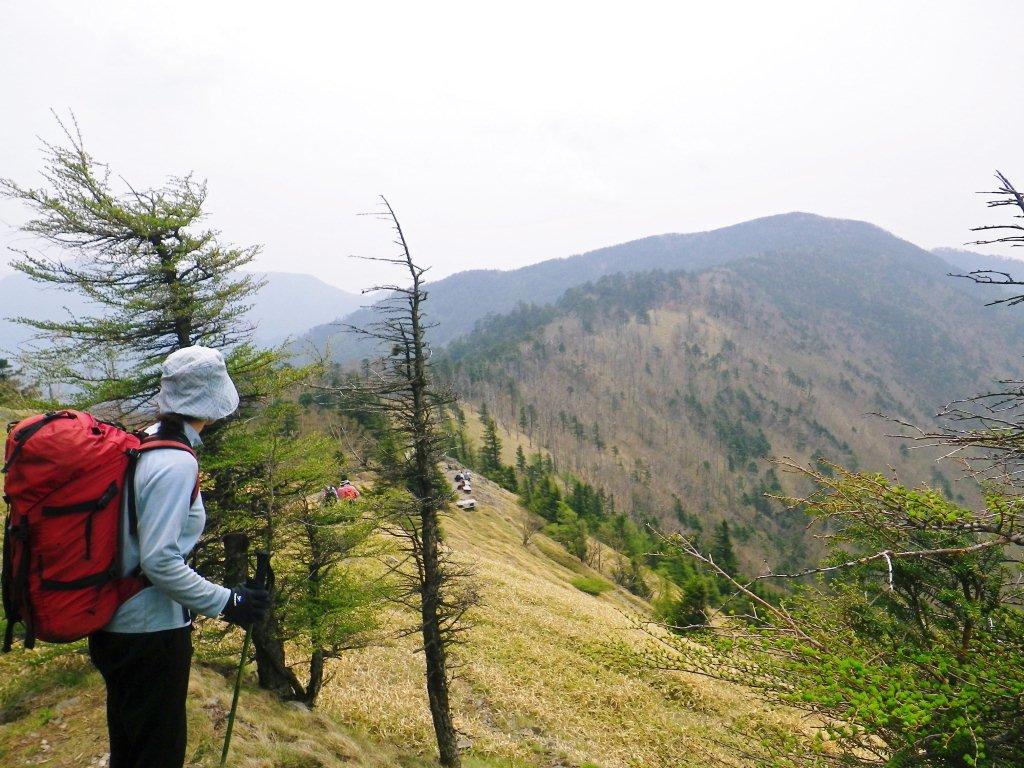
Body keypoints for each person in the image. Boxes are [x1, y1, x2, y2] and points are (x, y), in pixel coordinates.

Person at [87, 346, 271, 768]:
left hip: (117, 624)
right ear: (213, 401)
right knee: (158, 752)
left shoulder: (147, 441)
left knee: (131, 746)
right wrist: (229, 602)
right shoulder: (174, 463)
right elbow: (159, 561)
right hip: (148, 633)